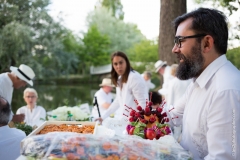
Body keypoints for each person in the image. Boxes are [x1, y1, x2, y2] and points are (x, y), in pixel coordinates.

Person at [164, 8, 240, 159]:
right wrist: (141, 120)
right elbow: (172, 116)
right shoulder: (198, 83)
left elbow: (224, 157)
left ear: (206, 43)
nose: (174, 49)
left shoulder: (226, 90)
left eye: (180, 41)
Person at [96, 51, 148, 124]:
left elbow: (143, 103)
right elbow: (118, 100)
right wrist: (103, 117)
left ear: (126, 62)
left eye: (121, 63)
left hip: (135, 123)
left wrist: (140, 124)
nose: (118, 66)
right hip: (124, 121)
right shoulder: (120, 79)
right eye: (115, 64)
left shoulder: (134, 77)